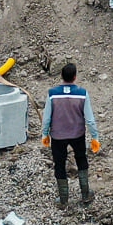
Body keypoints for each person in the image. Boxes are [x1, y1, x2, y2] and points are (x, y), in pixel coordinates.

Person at [40, 63, 101, 208]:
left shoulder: (52, 94)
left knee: (59, 164)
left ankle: (63, 200)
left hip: (58, 136)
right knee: (81, 160)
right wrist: (95, 137)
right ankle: (85, 194)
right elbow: (90, 119)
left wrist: (44, 133)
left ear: (61, 76)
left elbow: (47, 117)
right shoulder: (82, 93)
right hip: (77, 134)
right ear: (75, 77)